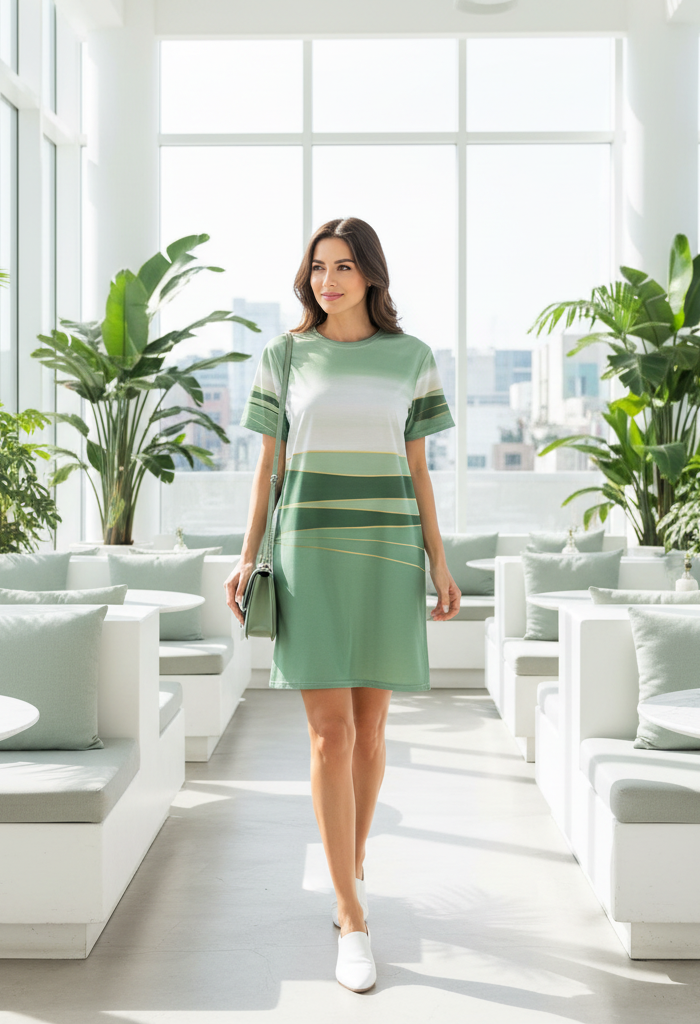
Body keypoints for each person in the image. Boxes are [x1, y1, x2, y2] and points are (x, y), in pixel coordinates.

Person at [224, 217, 460, 993]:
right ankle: (352, 916)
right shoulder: (284, 355)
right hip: (310, 554)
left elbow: (419, 469)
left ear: (371, 277)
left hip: (389, 554)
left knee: (372, 730)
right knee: (331, 735)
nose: (328, 281)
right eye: (318, 267)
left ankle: (345, 872)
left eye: (344, 267)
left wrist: (439, 560)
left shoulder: (412, 358)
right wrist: (248, 552)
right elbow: (268, 466)